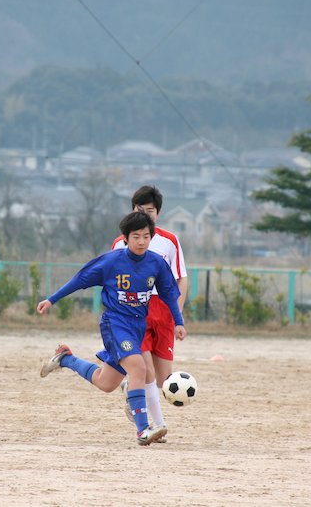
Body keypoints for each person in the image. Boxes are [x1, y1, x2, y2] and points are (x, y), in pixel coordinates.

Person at [38, 211, 187, 446]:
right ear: (125, 238)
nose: (141, 241)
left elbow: (169, 293)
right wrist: (51, 299)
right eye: (136, 236)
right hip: (115, 323)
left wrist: (178, 321)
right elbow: (79, 279)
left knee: (106, 383)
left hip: (137, 326)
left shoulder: (156, 263)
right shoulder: (111, 261)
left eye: (146, 236)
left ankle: (66, 358)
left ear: (152, 237)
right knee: (139, 368)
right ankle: (143, 430)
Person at [111, 185, 188, 441]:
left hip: (164, 311)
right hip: (137, 311)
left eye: (150, 211)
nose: (145, 214)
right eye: (139, 210)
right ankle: (157, 425)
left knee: (164, 379)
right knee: (146, 372)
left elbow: (181, 279)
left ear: (158, 213)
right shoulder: (120, 243)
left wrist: (178, 315)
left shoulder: (170, 241)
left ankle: (131, 390)